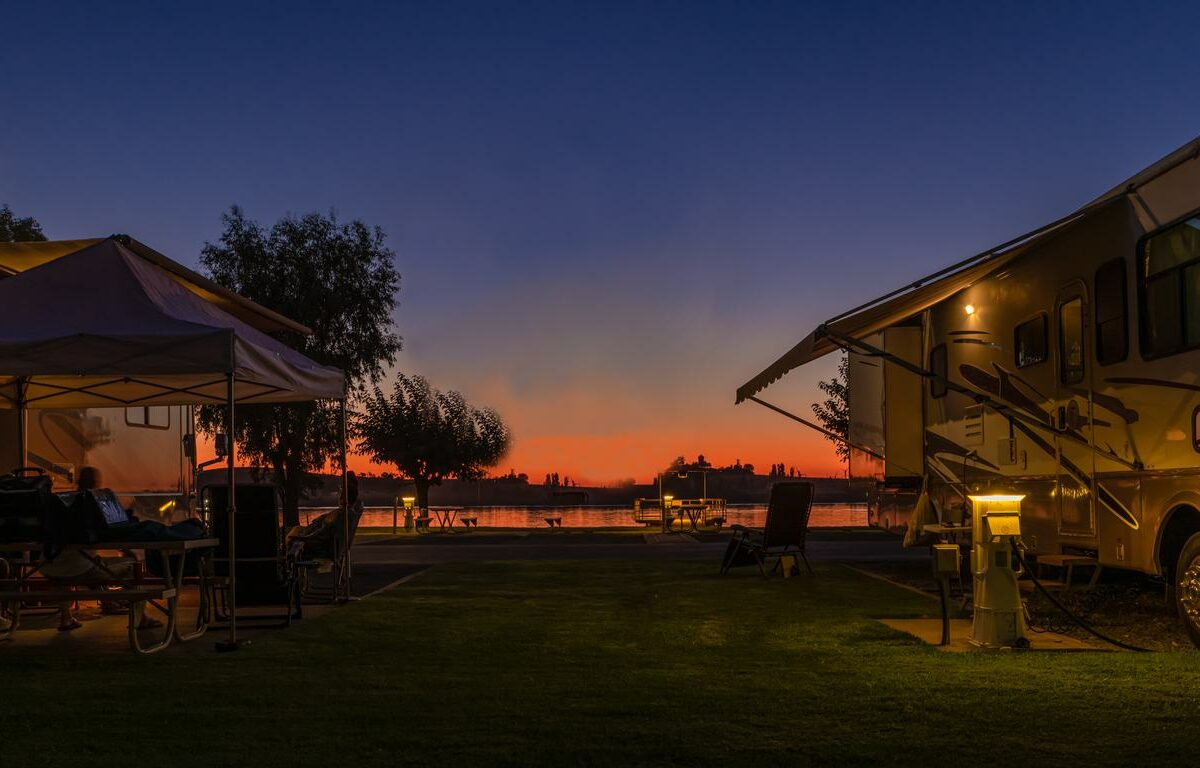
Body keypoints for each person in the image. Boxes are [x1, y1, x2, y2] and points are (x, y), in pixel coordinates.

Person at [40, 467, 146, 631]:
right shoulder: (96, 502)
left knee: (71, 567)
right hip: (81, 569)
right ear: (96, 483)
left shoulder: (60, 501)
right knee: (132, 565)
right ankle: (140, 618)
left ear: (77, 481)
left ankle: (66, 618)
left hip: (49, 567)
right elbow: (114, 532)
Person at [287, 472, 363, 559]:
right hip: (325, 544)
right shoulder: (346, 513)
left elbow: (320, 533)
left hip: (322, 548)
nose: (339, 494)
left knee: (293, 534)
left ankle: (282, 558)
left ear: (343, 496)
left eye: (341, 491)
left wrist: (303, 537)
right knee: (294, 530)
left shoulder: (342, 514)